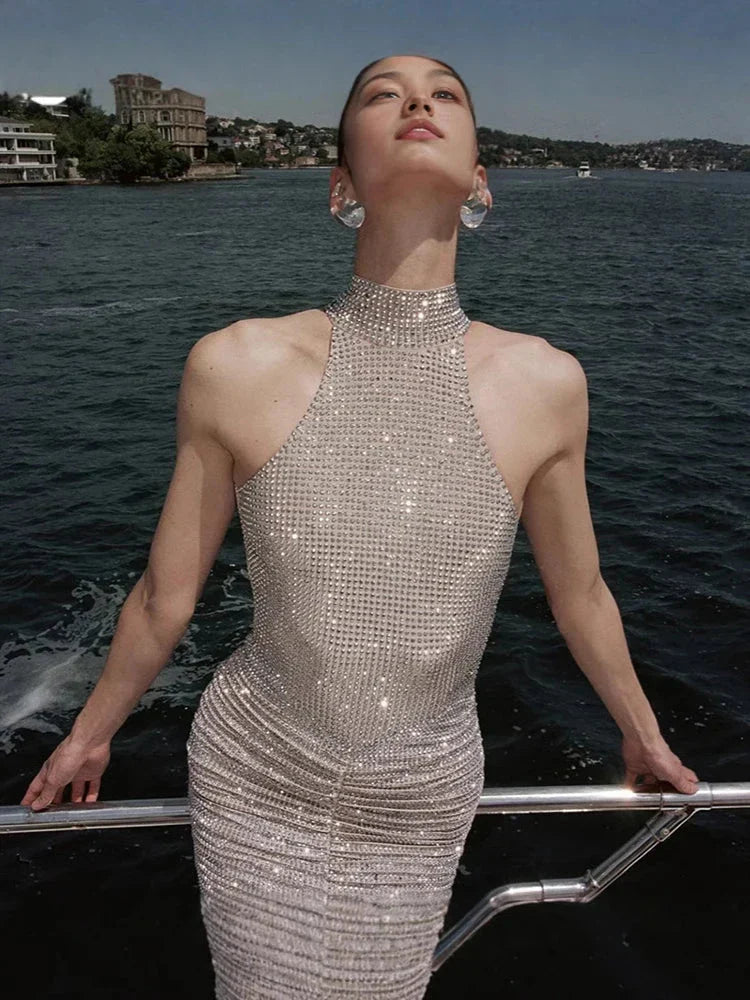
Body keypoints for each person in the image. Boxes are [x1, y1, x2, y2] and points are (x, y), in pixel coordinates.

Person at [21, 52, 699, 999]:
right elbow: (165, 592)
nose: (417, 101)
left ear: (481, 183)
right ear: (340, 183)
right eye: (383, 94)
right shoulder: (237, 365)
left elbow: (579, 591)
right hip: (260, 768)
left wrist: (642, 732)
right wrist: (92, 734)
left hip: (423, 794)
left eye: (444, 95)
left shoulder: (549, 385)